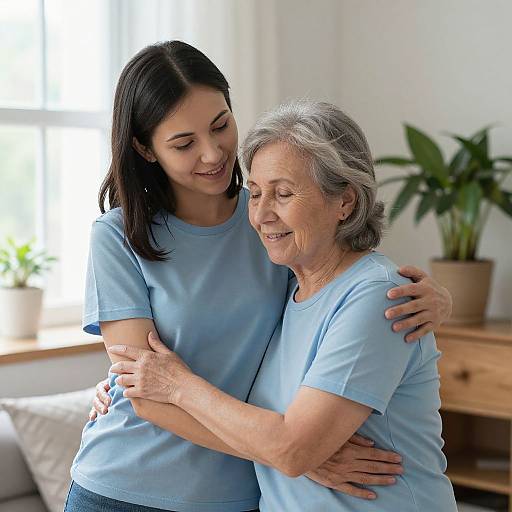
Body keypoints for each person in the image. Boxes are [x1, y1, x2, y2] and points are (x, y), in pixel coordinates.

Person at [67, 41, 451, 512]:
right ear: (145, 149)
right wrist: (295, 455)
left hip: (241, 494)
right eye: (184, 143)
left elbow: (348, 285)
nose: (213, 153)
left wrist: (435, 299)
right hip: (124, 486)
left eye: (221, 125)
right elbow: (146, 394)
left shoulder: (270, 228)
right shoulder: (119, 237)